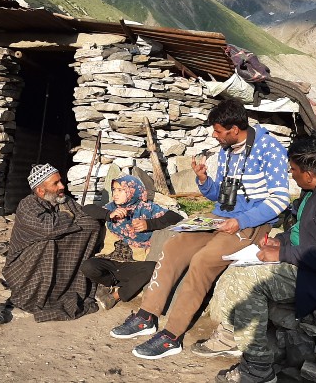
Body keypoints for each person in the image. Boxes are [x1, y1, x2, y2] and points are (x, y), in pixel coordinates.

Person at [109, 98, 291, 360]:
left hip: (252, 223)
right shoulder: (229, 150)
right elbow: (221, 195)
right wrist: (204, 180)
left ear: (234, 129)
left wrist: (241, 221)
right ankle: (147, 316)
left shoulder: (269, 150)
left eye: (218, 131)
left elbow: (279, 199)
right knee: (174, 246)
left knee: (203, 260)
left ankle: (172, 335)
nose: (214, 135)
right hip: (220, 217)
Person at [208, 133, 316, 383]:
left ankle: (257, 369)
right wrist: (283, 241)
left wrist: (281, 253)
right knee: (240, 269)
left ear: (309, 174)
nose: (291, 174)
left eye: (293, 170)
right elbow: (305, 230)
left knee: (245, 282)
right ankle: (233, 334)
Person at [3, 163, 100, 322]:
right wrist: (68, 217)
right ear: (40, 191)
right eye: (56, 183)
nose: (62, 186)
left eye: (60, 181)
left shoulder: (65, 201)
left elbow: (88, 221)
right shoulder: (27, 205)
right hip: (23, 268)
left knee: (89, 227)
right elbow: (48, 228)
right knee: (48, 244)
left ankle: (64, 287)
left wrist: (67, 221)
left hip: (53, 261)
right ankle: (40, 295)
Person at [81, 175, 183, 310]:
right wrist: (108, 215)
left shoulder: (146, 208)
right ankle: (109, 285)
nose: (115, 194)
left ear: (132, 190)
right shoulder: (111, 208)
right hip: (109, 261)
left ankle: (116, 295)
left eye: (120, 190)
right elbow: (86, 209)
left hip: (133, 264)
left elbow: (176, 217)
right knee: (88, 266)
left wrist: (149, 223)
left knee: (152, 268)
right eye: (114, 190)